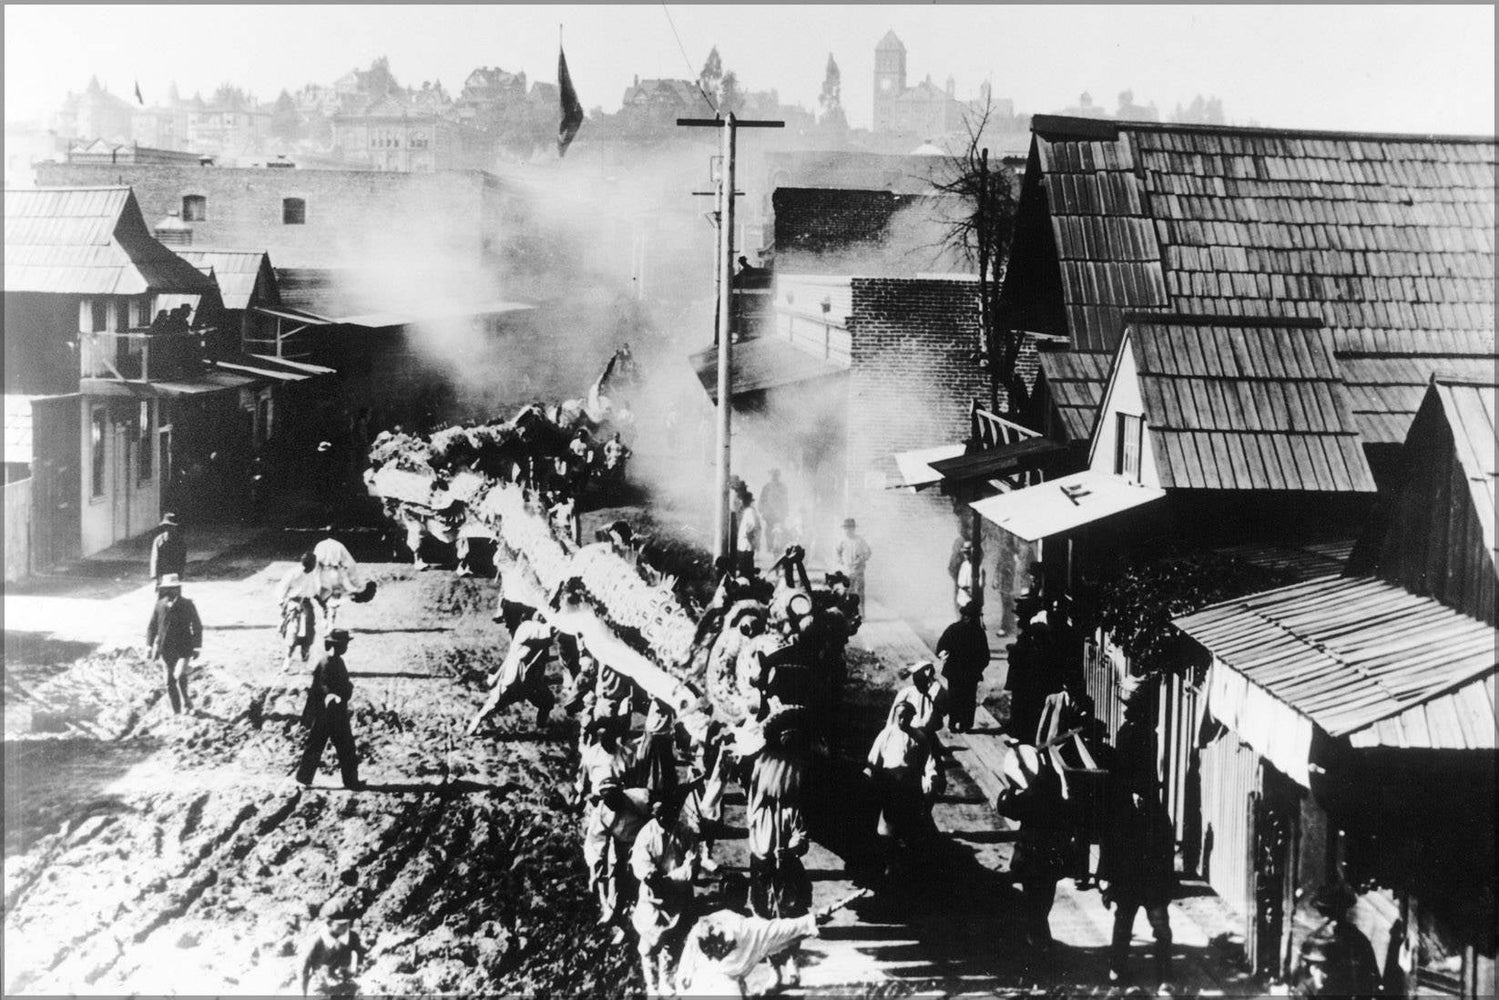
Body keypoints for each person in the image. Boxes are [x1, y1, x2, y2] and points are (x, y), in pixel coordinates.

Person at [1100, 674, 1175, 993]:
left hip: (1134, 863)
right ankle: (1163, 976)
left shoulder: (1133, 733)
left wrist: (1107, 875)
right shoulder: (1141, 734)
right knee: (1156, 922)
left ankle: (1120, 969)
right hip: (1146, 863)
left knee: (1127, 917)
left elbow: (1111, 838)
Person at [673, 889, 868, 998]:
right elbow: (782, 929)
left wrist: (811, 921)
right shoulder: (741, 928)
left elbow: (686, 965)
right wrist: (812, 920)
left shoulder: (712, 925)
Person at [746, 713, 813, 988]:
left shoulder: (792, 810)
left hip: (785, 862)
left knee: (792, 912)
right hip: (762, 858)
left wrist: (790, 851)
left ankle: (792, 963)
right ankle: (774, 969)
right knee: (765, 915)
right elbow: (752, 806)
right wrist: (762, 851)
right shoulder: (762, 768)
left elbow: (803, 836)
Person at [630, 790, 701, 996]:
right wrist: (652, 876)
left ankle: (666, 980)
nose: (664, 819)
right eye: (659, 815)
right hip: (653, 898)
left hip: (677, 895)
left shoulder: (685, 833)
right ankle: (651, 986)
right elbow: (640, 863)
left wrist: (670, 880)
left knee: (673, 941)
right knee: (648, 944)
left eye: (669, 814)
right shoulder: (646, 834)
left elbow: (691, 864)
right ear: (654, 814)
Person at [865, 699, 932, 878]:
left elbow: (927, 763)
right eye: (899, 717)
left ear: (912, 717)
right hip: (890, 785)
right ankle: (888, 863)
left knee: (909, 825)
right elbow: (873, 760)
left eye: (906, 717)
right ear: (895, 716)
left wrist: (927, 779)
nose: (902, 721)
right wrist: (871, 775)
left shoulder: (919, 737)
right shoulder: (886, 734)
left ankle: (905, 865)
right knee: (888, 826)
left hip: (909, 786)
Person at [467, 606, 556, 734]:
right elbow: (548, 630)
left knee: (547, 701)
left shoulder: (539, 636)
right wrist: (560, 622)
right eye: (541, 615)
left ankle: (542, 727)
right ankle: (476, 721)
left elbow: (542, 655)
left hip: (530, 681)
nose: (543, 618)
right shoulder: (527, 627)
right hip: (516, 679)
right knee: (495, 704)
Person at [295, 628, 363, 790]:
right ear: (337, 645)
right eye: (345, 644)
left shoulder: (336, 661)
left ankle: (350, 781)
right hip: (327, 714)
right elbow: (325, 688)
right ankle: (305, 779)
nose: (346, 647)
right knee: (333, 746)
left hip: (333, 712)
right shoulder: (327, 663)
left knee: (335, 746)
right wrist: (339, 695)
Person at [1290, 882, 1382, 1000]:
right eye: (1326, 911)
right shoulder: (1359, 941)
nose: (1332, 918)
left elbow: (1371, 984)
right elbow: (1301, 982)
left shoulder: (1358, 942)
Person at [146, 573, 202, 715]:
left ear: (178, 589)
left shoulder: (187, 604)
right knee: (169, 682)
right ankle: (177, 711)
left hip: (184, 648)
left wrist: (196, 646)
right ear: (164, 589)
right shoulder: (159, 605)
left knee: (178, 675)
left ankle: (186, 703)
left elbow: (197, 625)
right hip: (165, 649)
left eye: (174, 588)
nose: (171, 591)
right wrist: (149, 646)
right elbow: (152, 626)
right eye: (168, 589)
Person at [936, 603, 991, 733]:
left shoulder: (953, 629)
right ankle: (964, 724)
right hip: (969, 674)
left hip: (955, 672)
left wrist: (945, 658)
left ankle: (953, 722)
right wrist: (978, 669)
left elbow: (940, 648)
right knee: (968, 699)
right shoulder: (979, 632)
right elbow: (985, 656)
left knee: (955, 697)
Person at [298, 905, 368, 996]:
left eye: (347, 924)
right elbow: (304, 967)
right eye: (341, 924)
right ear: (329, 923)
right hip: (320, 982)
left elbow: (359, 956)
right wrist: (303, 993)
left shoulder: (352, 937)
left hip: (342, 980)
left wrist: (353, 968)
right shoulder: (317, 940)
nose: (345, 927)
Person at [312, 530, 370, 627]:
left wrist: (314, 575)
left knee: (322, 595)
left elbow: (315, 561)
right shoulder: (339, 546)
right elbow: (350, 563)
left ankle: (326, 613)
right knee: (334, 598)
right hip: (335, 574)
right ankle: (330, 621)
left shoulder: (320, 545)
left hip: (323, 574)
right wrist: (352, 579)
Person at [277, 552, 321, 673]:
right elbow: (282, 588)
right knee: (292, 633)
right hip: (294, 605)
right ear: (306, 563)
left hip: (307, 606)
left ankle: (305, 664)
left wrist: (322, 602)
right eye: (312, 564)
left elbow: (315, 592)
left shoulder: (313, 575)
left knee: (308, 634)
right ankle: (287, 661)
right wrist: (282, 604)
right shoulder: (294, 573)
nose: (314, 566)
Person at [834, 518, 872, 607]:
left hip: (858, 571)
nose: (847, 530)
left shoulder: (859, 540)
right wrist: (840, 559)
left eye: (849, 528)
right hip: (847, 571)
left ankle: (861, 614)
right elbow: (837, 551)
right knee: (848, 592)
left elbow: (868, 553)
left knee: (859, 592)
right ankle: (850, 614)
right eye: (845, 528)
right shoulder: (842, 540)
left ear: (853, 529)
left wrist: (861, 559)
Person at [149, 513, 187, 585]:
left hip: (174, 572)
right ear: (165, 527)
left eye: (172, 527)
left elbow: (182, 558)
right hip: (162, 572)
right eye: (167, 526)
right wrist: (155, 576)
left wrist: (181, 574)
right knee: (162, 592)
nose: (170, 529)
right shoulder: (159, 540)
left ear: (176, 527)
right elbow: (154, 558)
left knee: (174, 591)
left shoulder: (180, 541)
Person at [732, 485, 762, 574]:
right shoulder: (748, 511)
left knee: (745, 568)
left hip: (746, 546)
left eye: (742, 500)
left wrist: (751, 541)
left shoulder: (750, 512)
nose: (741, 502)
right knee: (745, 568)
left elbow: (750, 528)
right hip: (744, 545)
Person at [758, 469, 789, 556]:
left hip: (779, 514)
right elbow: (762, 500)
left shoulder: (783, 487)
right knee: (768, 530)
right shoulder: (766, 487)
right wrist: (762, 510)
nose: (774, 477)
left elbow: (785, 500)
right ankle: (770, 546)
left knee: (781, 531)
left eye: (776, 475)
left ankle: (780, 547)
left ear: (778, 476)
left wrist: (786, 511)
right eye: (773, 475)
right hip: (770, 514)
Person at [952, 541, 986, 617]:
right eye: (965, 553)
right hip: (963, 599)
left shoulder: (979, 567)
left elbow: (980, 584)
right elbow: (960, 581)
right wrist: (965, 588)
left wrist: (971, 590)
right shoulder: (963, 565)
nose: (966, 555)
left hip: (973, 601)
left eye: (968, 553)